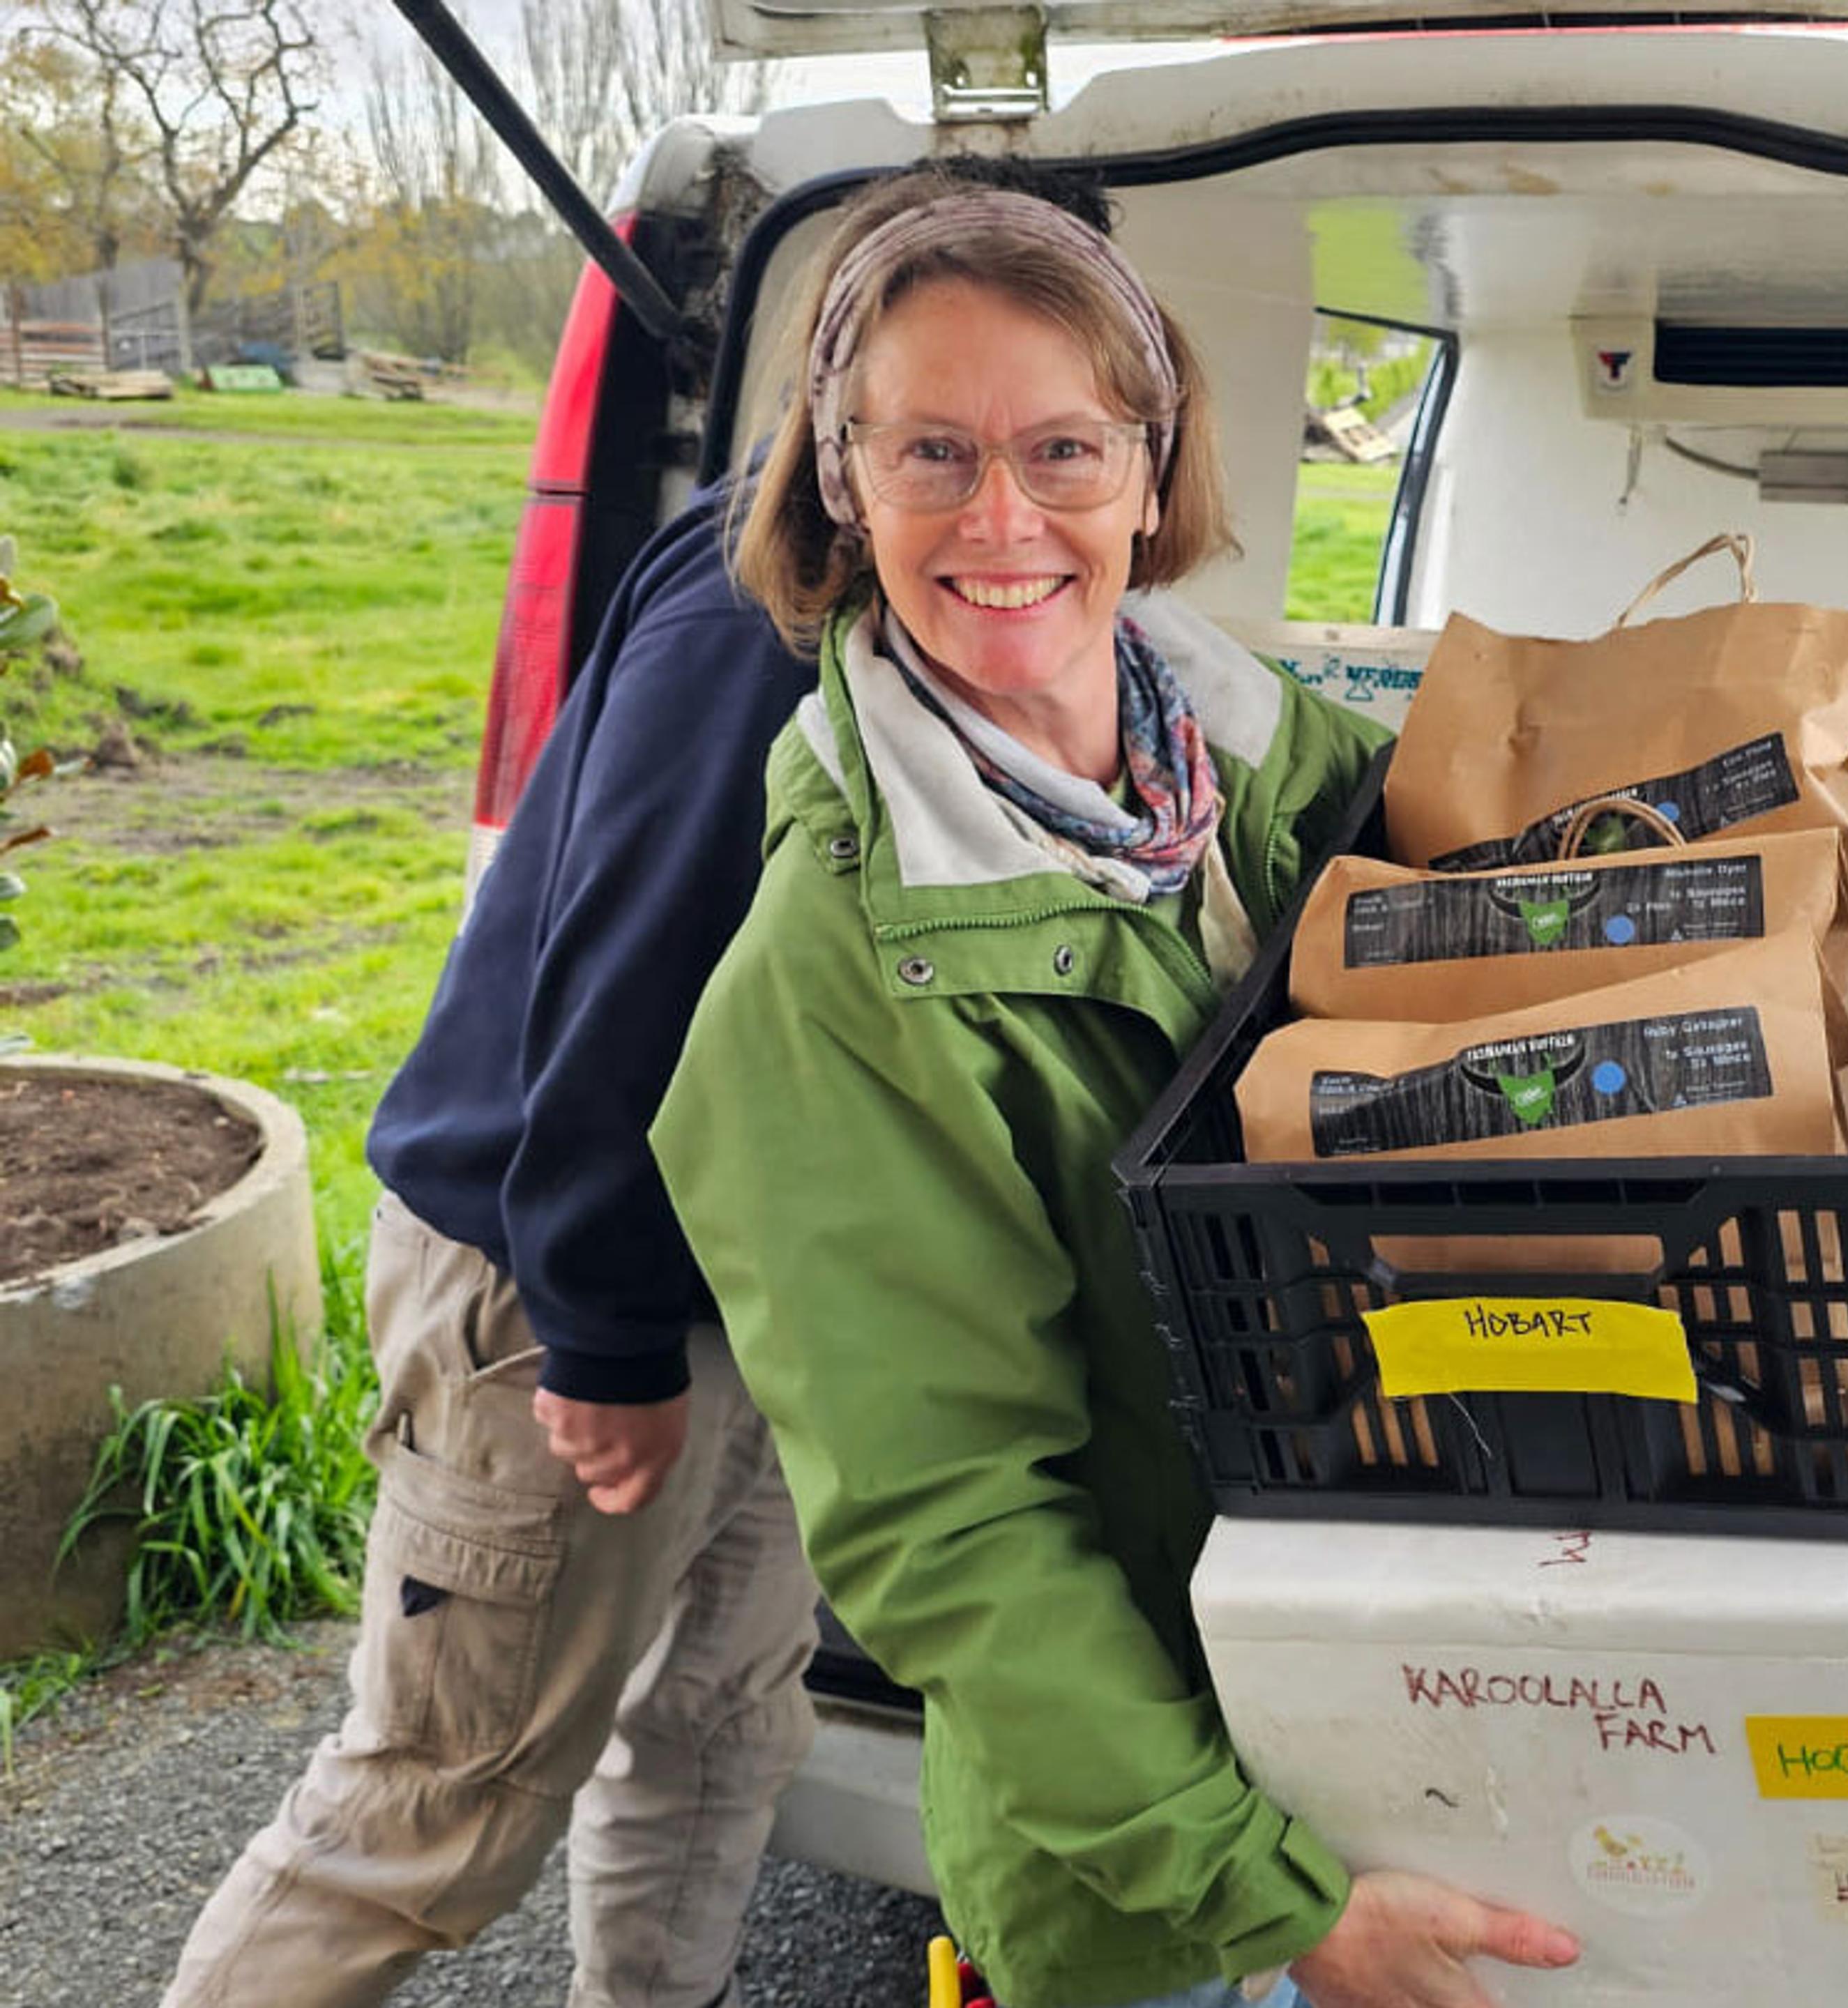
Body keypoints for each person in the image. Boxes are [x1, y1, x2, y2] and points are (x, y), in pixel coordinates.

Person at [649, 173, 1585, 2008]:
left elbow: (1507, 888)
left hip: (1393, 1683)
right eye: (931, 452)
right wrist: (1277, 1904)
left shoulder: (1250, 747)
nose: (1004, 520)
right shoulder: (830, 981)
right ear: (844, 481)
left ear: (1153, 473)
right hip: (1161, 1870)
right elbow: (963, 1529)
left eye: (1064, 448)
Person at [157, 452, 832, 2008]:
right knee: (432, 1811)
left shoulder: (932, 607)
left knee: (723, 1727)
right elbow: (627, 962)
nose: (1005, 486)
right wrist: (602, 1333)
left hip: (760, 1297)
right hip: (567, 1283)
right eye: (940, 426)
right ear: (845, 400)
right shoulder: (767, 611)